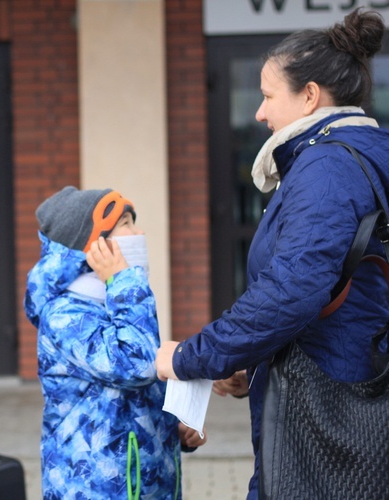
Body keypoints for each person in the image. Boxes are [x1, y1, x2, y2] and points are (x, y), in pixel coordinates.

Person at [156, 8, 389, 499]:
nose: (259, 113)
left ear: (309, 96)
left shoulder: (326, 167)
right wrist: (249, 358)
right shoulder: (364, 151)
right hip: (356, 383)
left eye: (267, 96)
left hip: (327, 409)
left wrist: (194, 357)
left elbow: (292, 290)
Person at [25, 186, 205, 500]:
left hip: (143, 480)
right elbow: (135, 365)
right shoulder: (66, 315)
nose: (139, 232)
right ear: (92, 246)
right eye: (126, 224)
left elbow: (133, 393)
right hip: (95, 486)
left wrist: (171, 429)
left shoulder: (116, 299)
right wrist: (124, 279)